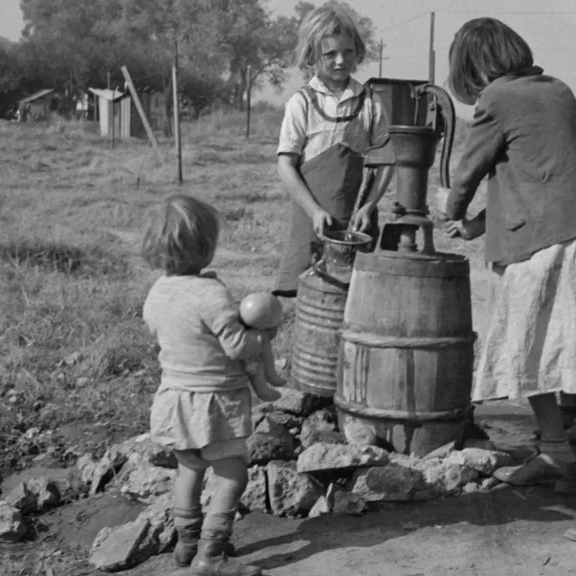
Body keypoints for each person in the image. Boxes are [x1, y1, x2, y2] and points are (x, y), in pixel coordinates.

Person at [440, 17, 576, 544]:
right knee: (529, 348)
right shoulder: (555, 90)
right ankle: (557, 454)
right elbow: (533, 172)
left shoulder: (497, 98)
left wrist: (450, 210)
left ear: (471, 67)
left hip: (567, 240)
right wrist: (479, 224)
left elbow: (467, 171)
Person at [443, 125, 576, 445]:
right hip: (562, 287)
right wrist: (467, 226)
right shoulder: (544, 191)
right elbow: (495, 216)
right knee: (562, 343)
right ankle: (565, 409)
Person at [141, 194, 267, 576]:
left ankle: (187, 544)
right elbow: (237, 346)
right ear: (207, 247)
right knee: (232, 473)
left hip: (175, 397)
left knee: (189, 470)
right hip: (215, 402)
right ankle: (211, 557)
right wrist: (260, 335)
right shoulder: (212, 295)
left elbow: (159, 329)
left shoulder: (158, 291)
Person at [273, 4, 393, 298]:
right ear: (312, 55)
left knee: (355, 296)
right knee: (311, 293)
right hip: (312, 218)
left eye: (348, 52)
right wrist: (314, 211)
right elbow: (286, 165)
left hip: (356, 220)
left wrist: (369, 205)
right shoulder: (301, 103)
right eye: (330, 54)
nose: (341, 61)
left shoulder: (370, 102)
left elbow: (387, 159)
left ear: (358, 51)